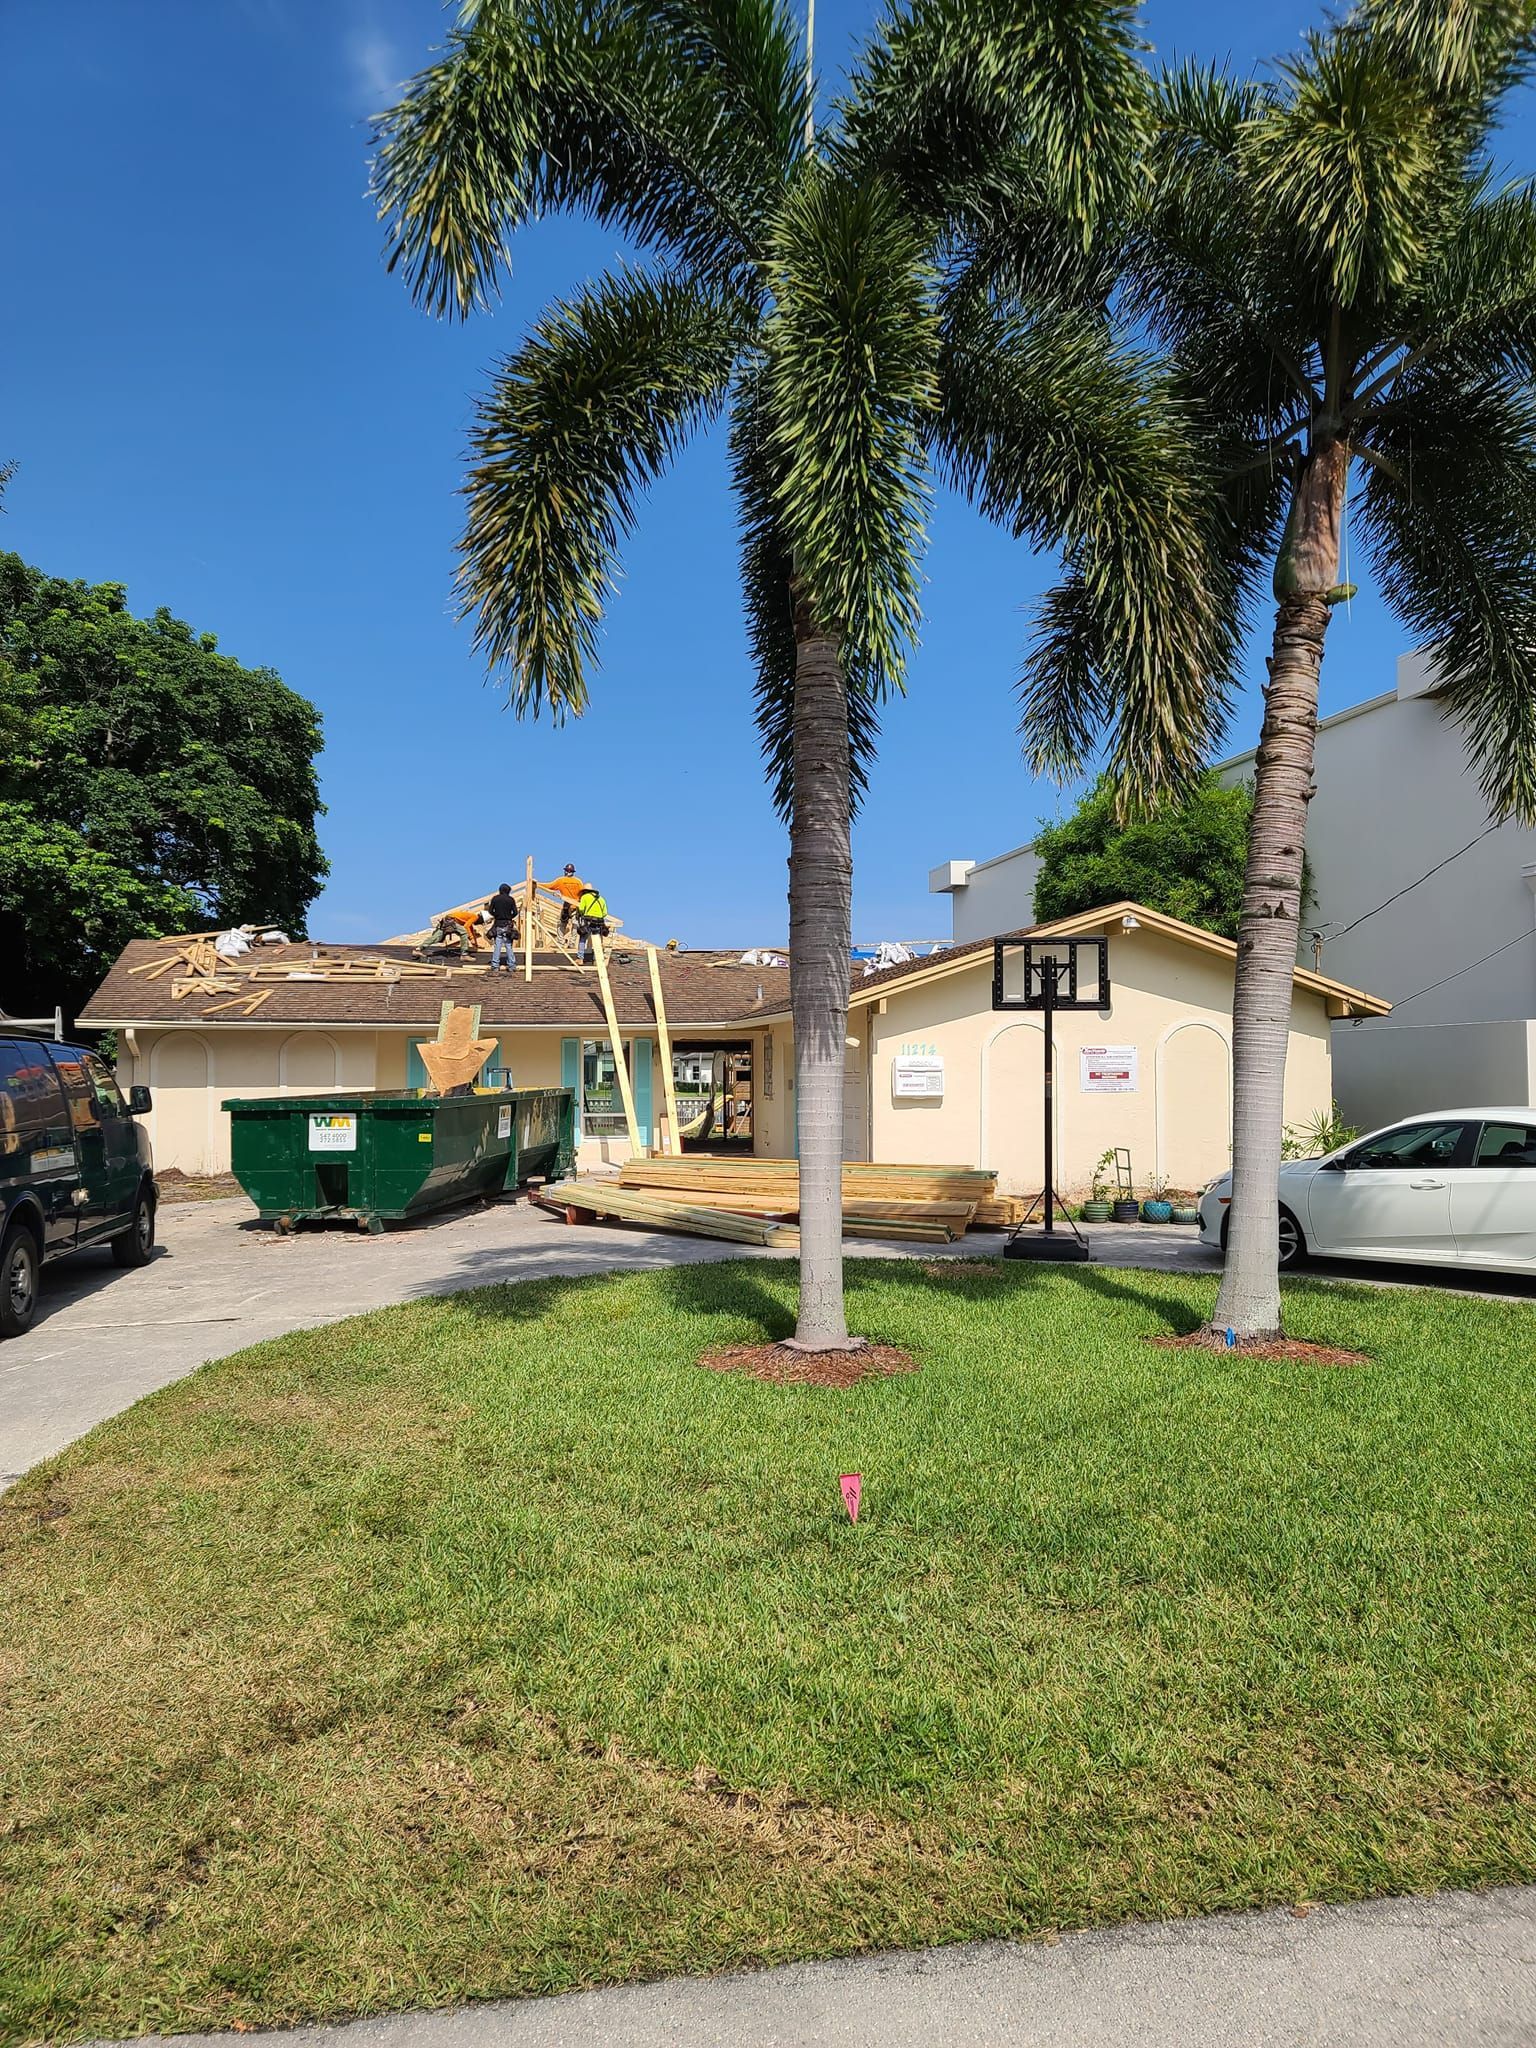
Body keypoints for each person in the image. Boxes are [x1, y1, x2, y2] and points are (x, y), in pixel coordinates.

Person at [540, 863, 587, 941]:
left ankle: (560, 941)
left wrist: (537, 884)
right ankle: (572, 941)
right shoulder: (578, 882)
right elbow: (583, 894)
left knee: (562, 923)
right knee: (575, 924)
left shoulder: (561, 880)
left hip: (567, 906)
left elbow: (549, 886)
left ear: (566, 871)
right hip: (576, 906)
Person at [414, 907, 483, 960]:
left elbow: (470, 929)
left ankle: (418, 949)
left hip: (446, 921)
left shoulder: (470, 917)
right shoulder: (475, 917)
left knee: (436, 937)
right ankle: (464, 955)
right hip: (452, 921)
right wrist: (471, 938)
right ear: (481, 919)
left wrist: (475, 943)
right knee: (464, 933)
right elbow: (466, 927)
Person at [485, 882, 520, 974]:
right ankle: (511, 966)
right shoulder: (510, 899)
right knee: (508, 945)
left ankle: (495, 965)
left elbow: (490, 911)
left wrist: (497, 915)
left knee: (497, 945)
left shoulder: (495, 899)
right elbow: (515, 912)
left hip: (498, 924)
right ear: (508, 891)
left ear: (500, 890)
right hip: (508, 924)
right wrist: (509, 916)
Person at [574, 882, 610, 964]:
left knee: (583, 938)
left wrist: (581, 913)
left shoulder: (585, 897)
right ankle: (596, 960)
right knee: (597, 941)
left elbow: (581, 909)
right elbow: (604, 913)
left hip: (589, 921)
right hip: (599, 922)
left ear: (585, 891)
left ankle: (580, 958)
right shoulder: (601, 899)